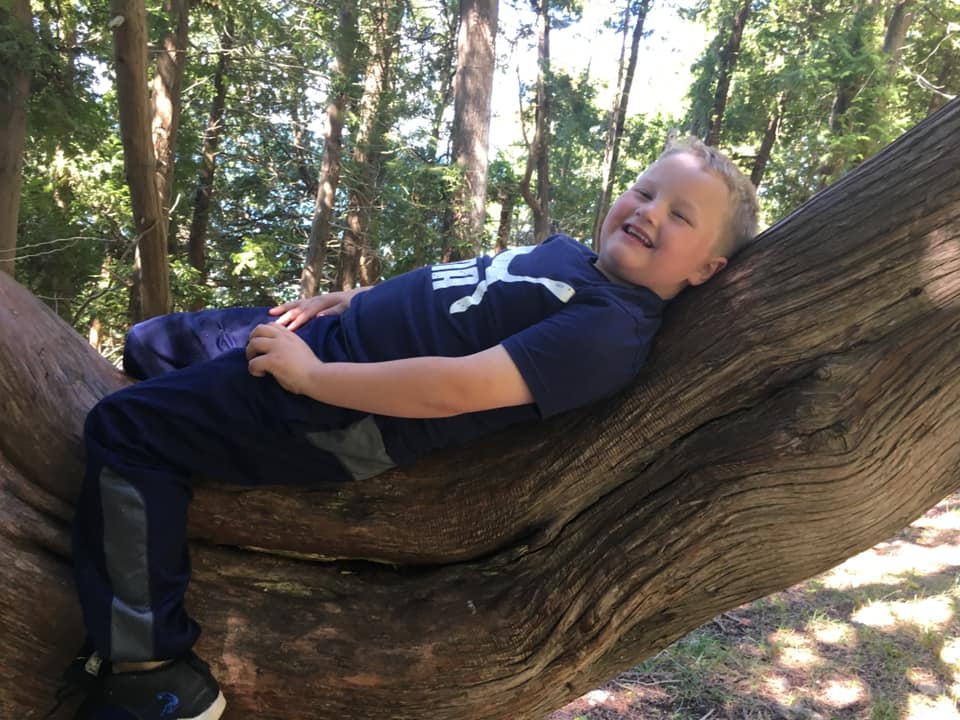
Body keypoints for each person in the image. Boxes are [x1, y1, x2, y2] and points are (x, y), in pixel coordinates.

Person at [58, 138, 758, 720]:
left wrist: (312, 379)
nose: (647, 211)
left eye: (680, 215)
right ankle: (155, 505)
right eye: (643, 191)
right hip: (331, 338)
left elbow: (457, 388)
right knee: (153, 343)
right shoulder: (574, 261)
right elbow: (460, 286)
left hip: (339, 406)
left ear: (707, 269)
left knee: (125, 430)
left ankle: (150, 666)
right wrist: (353, 297)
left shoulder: (610, 331)